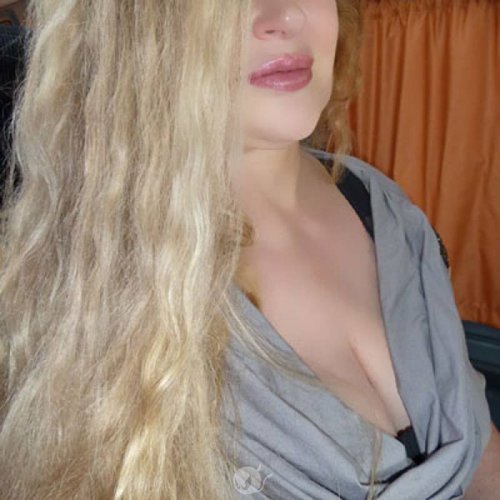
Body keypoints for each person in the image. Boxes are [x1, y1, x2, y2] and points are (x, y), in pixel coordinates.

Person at [0, 1, 497, 499]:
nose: (286, 15)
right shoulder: (89, 299)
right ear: (133, 27)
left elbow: (476, 446)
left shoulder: (380, 203)